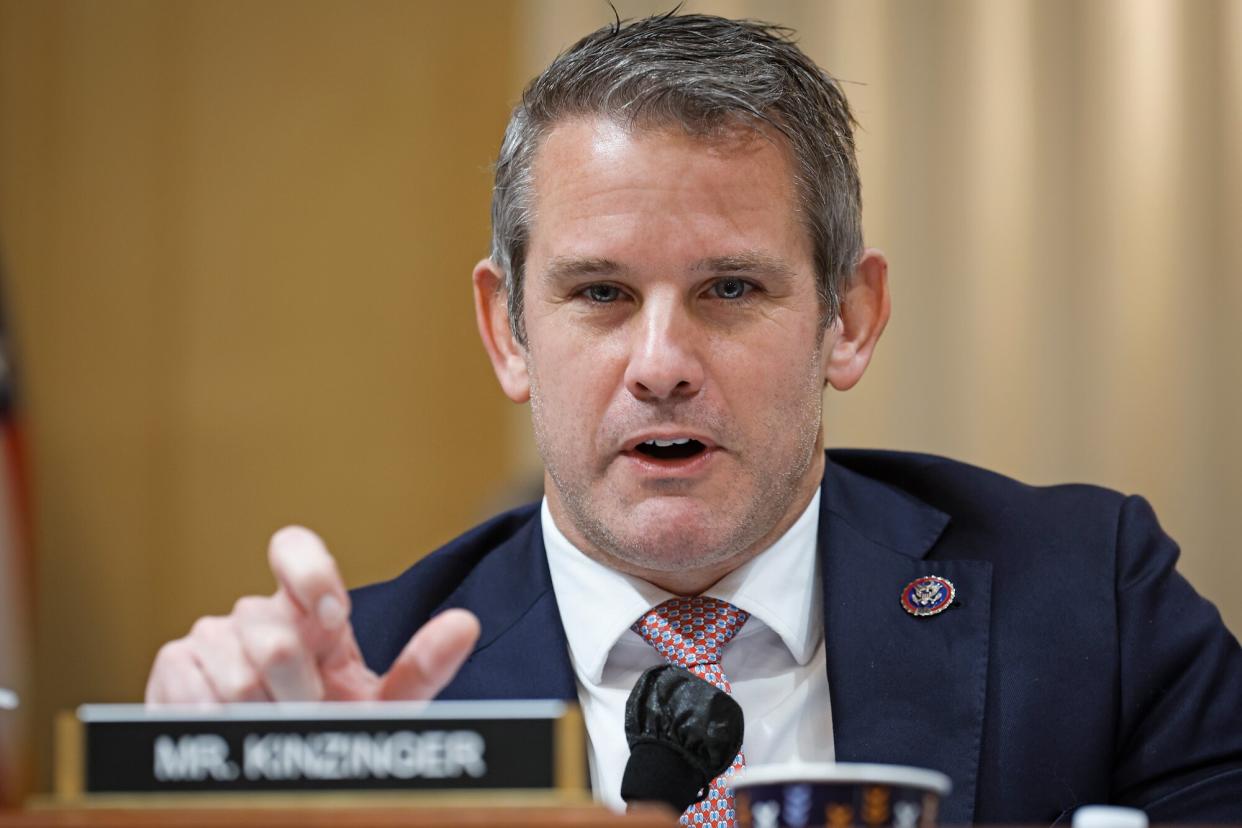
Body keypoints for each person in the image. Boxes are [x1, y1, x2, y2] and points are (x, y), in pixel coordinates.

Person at [145, 12, 1242, 824]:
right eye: (600, 295)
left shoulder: (1091, 604)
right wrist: (219, 773)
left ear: (848, 319)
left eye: (729, 290)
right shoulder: (366, 697)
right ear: (508, 333)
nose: (661, 366)